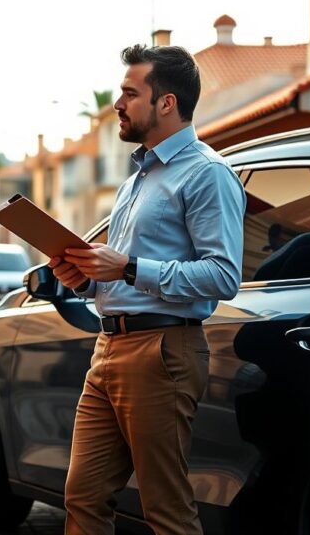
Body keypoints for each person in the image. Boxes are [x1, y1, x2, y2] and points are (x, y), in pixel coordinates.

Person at [48, 44, 245, 535]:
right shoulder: (136, 180)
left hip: (162, 352)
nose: (118, 104)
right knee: (83, 497)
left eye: (130, 94)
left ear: (166, 103)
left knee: (165, 509)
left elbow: (223, 276)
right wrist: (84, 279)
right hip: (108, 347)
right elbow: (119, 274)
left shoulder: (207, 173)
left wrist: (130, 267)